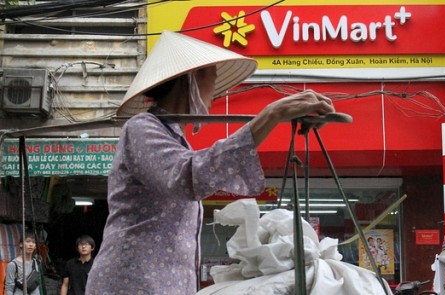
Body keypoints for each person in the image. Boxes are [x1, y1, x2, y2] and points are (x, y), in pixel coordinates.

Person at [86, 30, 339, 295]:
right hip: (132, 283)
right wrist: (272, 114)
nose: (216, 93)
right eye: (213, 78)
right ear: (191, 79)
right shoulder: (141, 128)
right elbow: (187, 177)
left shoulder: (173, 139)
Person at [4, 231, 41, 295]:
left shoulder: (36, 262)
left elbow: (36, 286)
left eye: (33, 242)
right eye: (28, 241)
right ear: (21, 244)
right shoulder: (13, 265)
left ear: (35, 246)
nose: (31, 244)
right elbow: (9, 288)